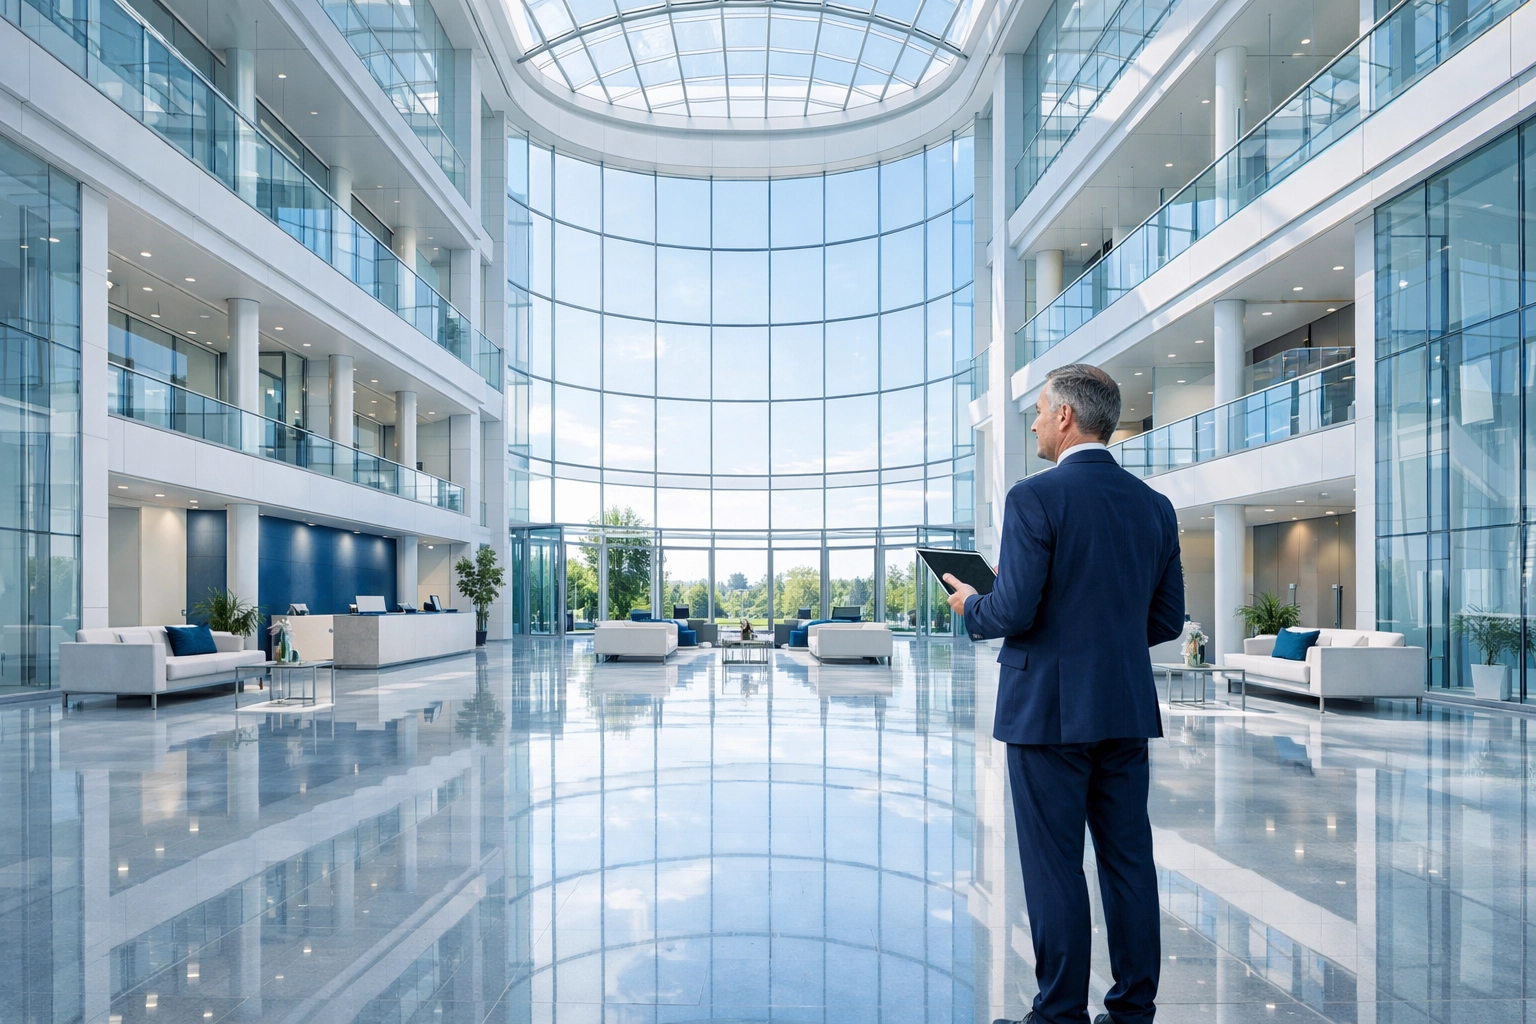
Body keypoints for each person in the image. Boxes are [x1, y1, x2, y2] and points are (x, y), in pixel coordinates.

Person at [944, 363, 1183, 1024]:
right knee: (1129, 863)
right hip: (1124, 710)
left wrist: (971, 604)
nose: (1036, 422)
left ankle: (1058, 1017)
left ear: (1067, 418)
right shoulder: (1155, 507)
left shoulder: (1035, 497)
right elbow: (1164, 621)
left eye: (1041, 411)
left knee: (1054, 870)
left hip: (1045, 713)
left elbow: (1014, 609)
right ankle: (1134, 1012)